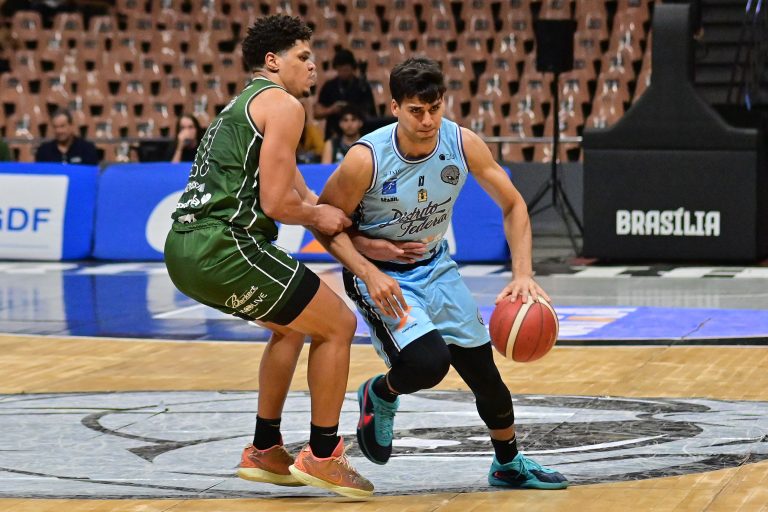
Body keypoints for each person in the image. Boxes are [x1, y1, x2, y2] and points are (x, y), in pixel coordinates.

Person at [315, 57, 569, 490]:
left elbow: (513, 204)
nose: (428, 120)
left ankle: (508, 464)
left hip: (436, 266)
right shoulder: (365, 159)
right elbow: (325, 223)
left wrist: (522, 274)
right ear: (395, 107)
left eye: (435, 108)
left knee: (486, 376)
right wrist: (368, 258)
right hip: (380, 274)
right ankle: (381, 392)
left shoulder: (462, 143)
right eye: (416, 111)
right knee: (428, 364)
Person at [163, 15, 373, 498]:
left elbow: (301, 192)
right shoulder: (284, 104)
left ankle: (264, 448)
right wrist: (319, 217)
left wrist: (330, 217)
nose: (314, 66)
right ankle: (324, 454)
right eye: (304, 56)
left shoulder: (242, 105)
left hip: (185, 248)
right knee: (339, 325)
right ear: (273, 61)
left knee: (292, 326)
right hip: (224, 245)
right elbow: (279, 204)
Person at [314, 46, 376, 140]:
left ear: (353, 68)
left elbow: (371, 113)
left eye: (346, 70)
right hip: (334, 134)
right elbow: (317, 113)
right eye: (340, 70)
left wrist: (352, 109)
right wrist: (331, 110)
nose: (343, 73)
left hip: (359, 135)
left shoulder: (362, 86)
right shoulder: (329, 86)